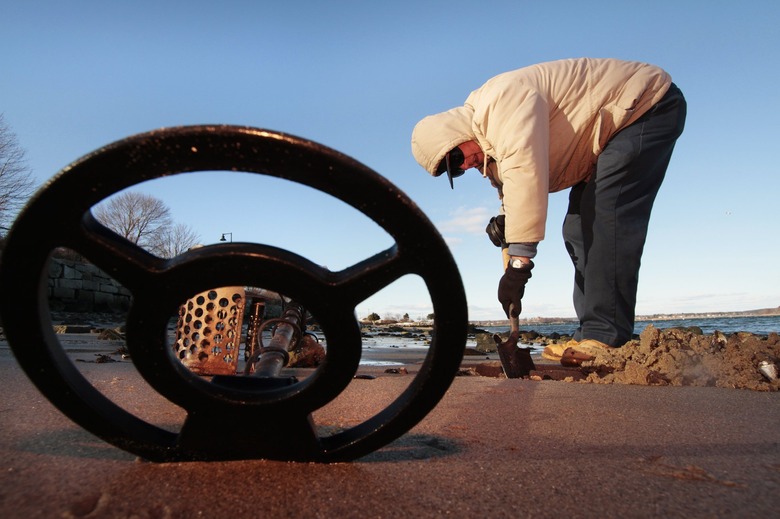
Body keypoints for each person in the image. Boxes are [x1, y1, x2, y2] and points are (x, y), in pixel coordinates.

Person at [411, 58, 686, 366]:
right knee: (576, 229)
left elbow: (524, 174)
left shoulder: (499, 103)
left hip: (643, 107)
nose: (465, 165)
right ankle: (590, 334)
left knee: (605, 217)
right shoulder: (491, 151)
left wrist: (519, 267)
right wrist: (507, 227)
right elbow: (513, 192)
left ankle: (606, 336)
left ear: (453, 132)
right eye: (456, 170)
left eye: (456, 157)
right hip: (602, 143)